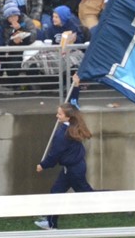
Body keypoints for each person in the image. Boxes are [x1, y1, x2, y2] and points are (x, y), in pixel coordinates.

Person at [34, 95, 93, 230]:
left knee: (88, 195)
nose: (57, 116)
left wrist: (42, 165)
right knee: (56, 192)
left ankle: (122, 200)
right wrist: (76, 86)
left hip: (74, 171)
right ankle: (51, 223)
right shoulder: (71, 125)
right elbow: (73, 103)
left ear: (68, 117)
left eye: (60, 114)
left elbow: (54, 154)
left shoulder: (62, 133)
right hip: (71, 168)